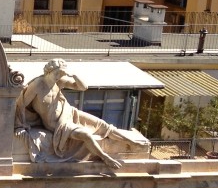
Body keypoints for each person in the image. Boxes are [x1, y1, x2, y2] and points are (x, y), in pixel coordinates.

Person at [15, 59, 147, 169]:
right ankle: (105, 157)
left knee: (103, 125)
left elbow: (83, 87)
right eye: (57, 72)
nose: (59, 75)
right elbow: (21, 104)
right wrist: (20, 125)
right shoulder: (38, 85)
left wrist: (73, 75)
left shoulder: (59, 82)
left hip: (70, 113)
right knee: (86, 135)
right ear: (48, 71)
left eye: (61, 73)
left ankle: (133, 142)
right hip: (59, 126)